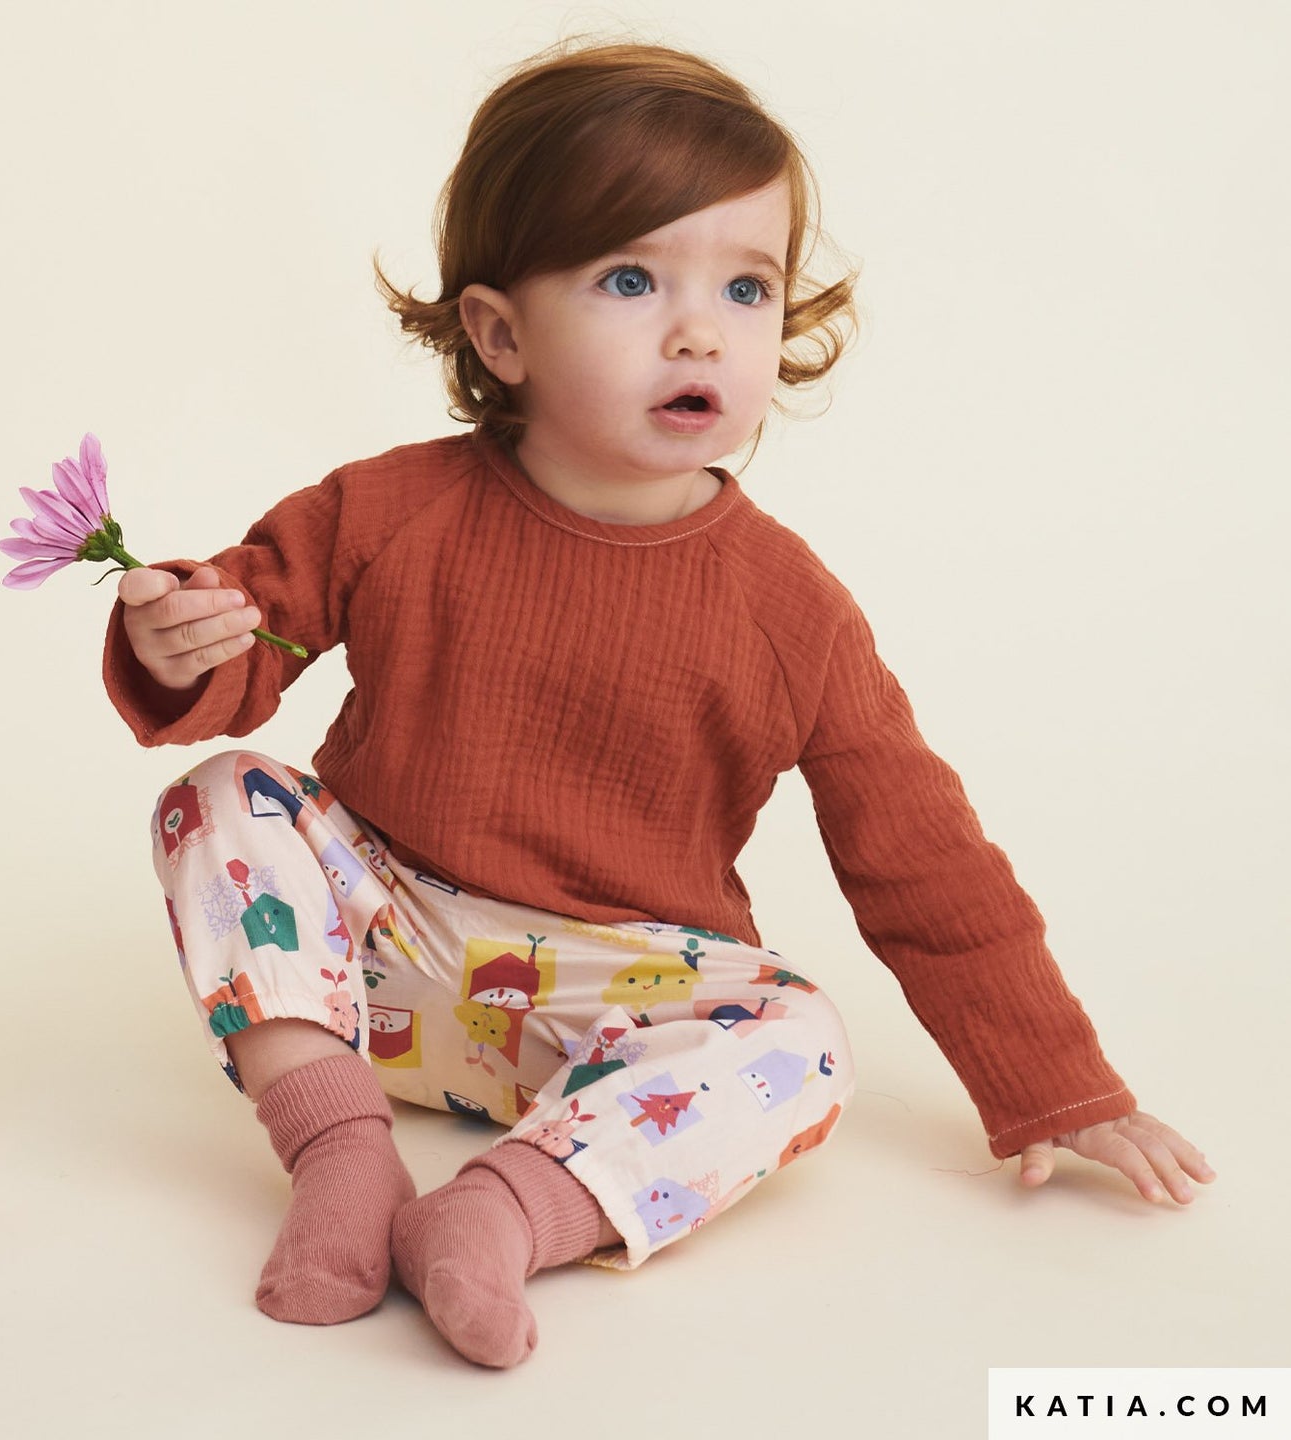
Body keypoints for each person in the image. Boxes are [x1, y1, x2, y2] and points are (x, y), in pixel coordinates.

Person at [102, 40, 1213, 1369]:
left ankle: (505, 1211)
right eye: (631, 280)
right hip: (374, 954)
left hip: (607, 1006)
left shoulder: (790, 611)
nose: (700, 331)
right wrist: (180, 637)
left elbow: (924, 860)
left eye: (746, 287)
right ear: (499, 334)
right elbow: (247, 640)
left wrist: (1056, 1086)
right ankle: (340, 1153)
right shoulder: (393, 509)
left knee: (805, 1041)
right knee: (219, 798)